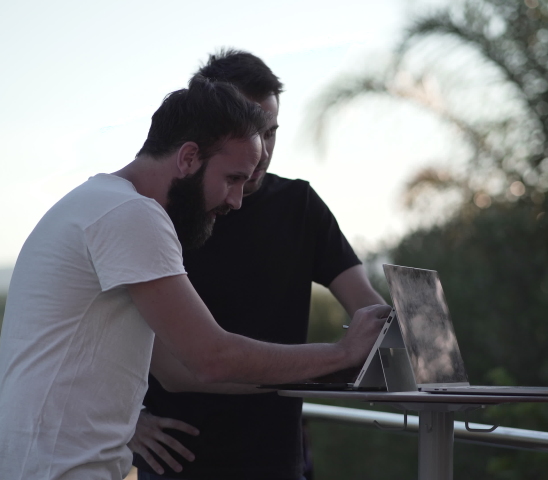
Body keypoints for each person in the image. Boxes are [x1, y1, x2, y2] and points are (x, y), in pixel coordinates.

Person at [0, 77, 390, 480]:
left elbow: (183, 370)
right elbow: (211, 358)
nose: (236, 201)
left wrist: (332, 371)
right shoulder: (132, 214)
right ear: (188, 158)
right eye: (232, 179)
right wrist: (342, 352)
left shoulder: (97, 203)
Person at [131, 50, 387, 480]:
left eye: (271, 132)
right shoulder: (163, 212)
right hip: (176, 461)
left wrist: (410, 337)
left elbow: (371, 309)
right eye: (251, 131)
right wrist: (128, 421)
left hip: (276, 458)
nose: (262, 149)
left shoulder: (300, 205)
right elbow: (166, 363)